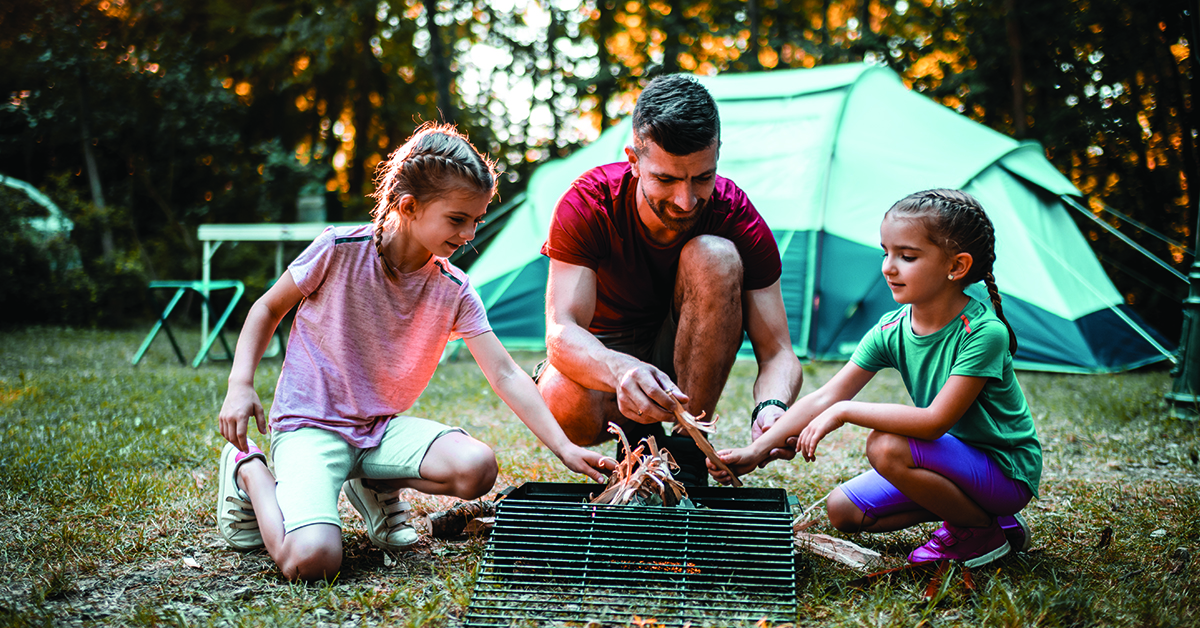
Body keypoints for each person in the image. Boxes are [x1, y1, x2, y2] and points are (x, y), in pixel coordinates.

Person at [215, 123, 612, 582]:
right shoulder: (339, 248)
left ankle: (374, 483)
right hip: (310, 425)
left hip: (379, 430)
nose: (469, 234)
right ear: (408, 206)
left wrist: (563, 447)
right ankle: (247, 469)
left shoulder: (454, 289)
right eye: (457, 219)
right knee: (313, 560)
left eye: (477, 220)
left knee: (477, 467)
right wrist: (240, 384)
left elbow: (504, 373)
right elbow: (267, 308)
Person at [712, 189, 1042, 567]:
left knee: (886, 446)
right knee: (844, 511)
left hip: (1004, 471)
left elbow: (934, 422)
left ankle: (978, 533)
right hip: (950, 462)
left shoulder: (983, 333)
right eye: (886, 252)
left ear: (957, 266)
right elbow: (827, 396)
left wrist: (845, 412)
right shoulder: (891, 329)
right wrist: (756, 451)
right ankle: (992, 521)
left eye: (907, 256)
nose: (888, 267)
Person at [534, 73, 805, 486]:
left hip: (685, 356)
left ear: (717, 156)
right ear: (634, 160)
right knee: (561, 402)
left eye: (702, 178)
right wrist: (620, 370)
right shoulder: (589, 203)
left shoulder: (736, 215)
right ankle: (636, 435)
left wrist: (773, 406)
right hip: (605, 356)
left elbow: (778, 352)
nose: (686, 200)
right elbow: (561, 331)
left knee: (715, 254)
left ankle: (686, 446)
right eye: (666, 179)